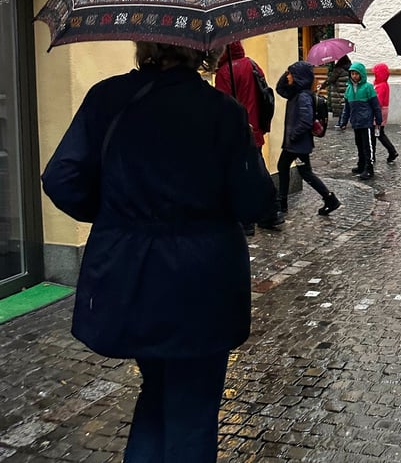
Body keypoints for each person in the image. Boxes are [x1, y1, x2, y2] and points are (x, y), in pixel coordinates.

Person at [40, 41, 277, 463]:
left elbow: (62, 177)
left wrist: (117, 217)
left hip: (131, 273)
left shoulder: (106, 98)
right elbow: (256, 203)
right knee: (193, 406)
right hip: (203, 280)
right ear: (202, 48)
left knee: (155, 391)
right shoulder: (221, 111)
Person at [214, 41, 281, 232]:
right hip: (255, 128)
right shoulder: (252, 64)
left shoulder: (225, 72)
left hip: (237, 132)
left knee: (240, 176)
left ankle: (248, 221)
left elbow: (222, 106)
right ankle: (270, 213)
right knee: (257, 170)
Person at [275, 60, 340, 216]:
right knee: (298, 170)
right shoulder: (295, 93)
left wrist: (293, 135)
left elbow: (306, 120)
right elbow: (280, 89)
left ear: (298, 77)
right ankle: (328, 199)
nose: (288, 76)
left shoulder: (303, 96)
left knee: (290, 168)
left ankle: (282, 202)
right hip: (296, 143)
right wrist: (286, 73)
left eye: (290, 73)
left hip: (297, 143)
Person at [339, 61, 382, 180]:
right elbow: (346, 108)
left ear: (361, 74)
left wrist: (378, 120)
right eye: (352, 74)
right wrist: (343, 121)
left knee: (368, 146)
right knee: (359, 144)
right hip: (355, 122)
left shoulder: (368, 87)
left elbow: (376, 106)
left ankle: (369, 168)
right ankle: (361, 164)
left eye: (356, 74)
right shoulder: (348, 89)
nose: (354, 76)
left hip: (367, 122)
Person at [371, 62, 398, 163]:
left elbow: (378, 101)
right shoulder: (382, 84)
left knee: (377, 134)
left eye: (376, 73)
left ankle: (390, 152)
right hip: (381, 112)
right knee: (378, 134)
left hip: (378, 113)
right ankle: (391, 151)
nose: (375, 75)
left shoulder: (381, 85)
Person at [317, 54, 351, 127]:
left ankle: (340, 123)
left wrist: (322, 86)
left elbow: (330, 80)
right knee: (344, 105)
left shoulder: (338, 69)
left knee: (340, 107)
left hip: (338, 91)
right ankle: (343, 121)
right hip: (346, 90)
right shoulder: (350, 69)